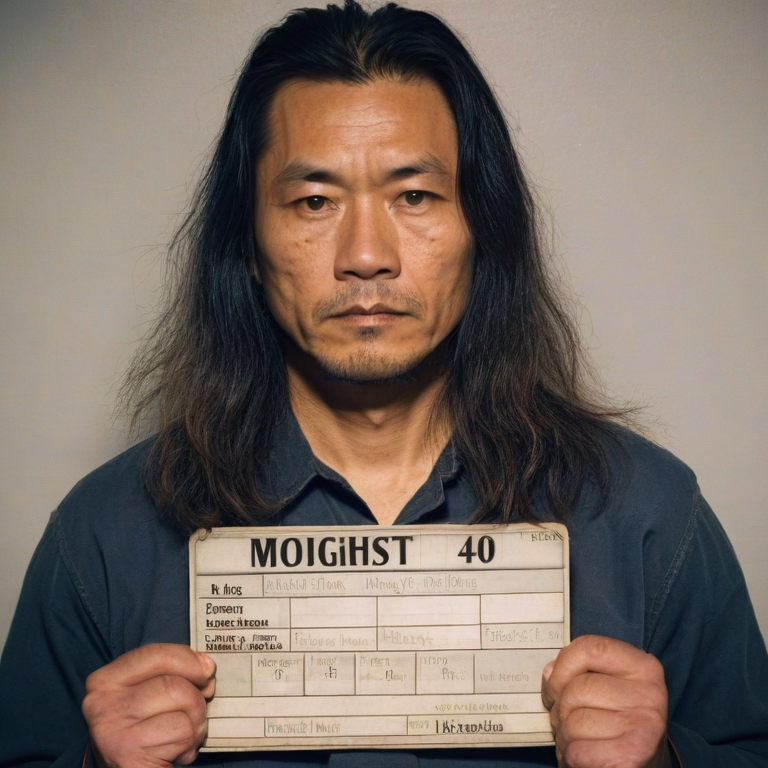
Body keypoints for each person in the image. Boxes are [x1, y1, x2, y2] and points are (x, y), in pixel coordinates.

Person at [0, 1, 766, 767]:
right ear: (249, 242)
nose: (366, 256)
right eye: (314, 202)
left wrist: (668, 759)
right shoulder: (103, 534)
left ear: (483, 228)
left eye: (415, 196)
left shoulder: (650, 518)